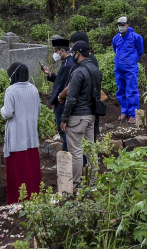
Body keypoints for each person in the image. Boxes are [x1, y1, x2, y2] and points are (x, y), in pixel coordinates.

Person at [60, 41, 102, 188]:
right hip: (91, 116)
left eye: (73, 53)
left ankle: (76, 184)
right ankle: (93, 182)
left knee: (76, 151)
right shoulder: (95, 70)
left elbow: (71, 97)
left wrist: (64, 118)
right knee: (91, 149)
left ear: (78, 53)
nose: (72, 56)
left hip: (77, 116)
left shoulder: (78, 72)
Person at [0, 62, 42, 204]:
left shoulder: (11, 90)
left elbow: (7, 113)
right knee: (31, 167)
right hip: (31, 133)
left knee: (18, 168)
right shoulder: (34, 89)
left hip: (17, 134)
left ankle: (18, 198)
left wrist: (1, 110)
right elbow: (38, 109)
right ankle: (34, 195)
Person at [43, 38, 76, 151]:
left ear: (62, 50)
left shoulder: (68, 64)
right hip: (62, 101)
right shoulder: (67, 62)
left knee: (64, 132)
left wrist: (57, 99)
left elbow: (65, 85)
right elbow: (60, 81)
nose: (55, 54)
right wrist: (50, 75)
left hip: (62, 102)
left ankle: (66, 159)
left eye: (55, 51)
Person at [69, 32, 103, 141]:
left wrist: (61, 97)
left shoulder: (83, 64)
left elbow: (73, 88)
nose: (72, 50)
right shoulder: (92, 61)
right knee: (90, 144)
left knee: (79, 146)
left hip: (82, 110)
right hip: (92, 108)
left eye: (73, 46)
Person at [112, 16, 144, 124]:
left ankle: (133, 114)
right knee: (121, 89)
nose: (121, 27)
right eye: (119, 25)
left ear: (128, 25)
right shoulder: (116, 38)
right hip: (119, 67)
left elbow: (140, 51)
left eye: (123, 24)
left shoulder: (136, 37)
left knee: (132, 90)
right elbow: (115, 49)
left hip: (131, 67)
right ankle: (124, 111)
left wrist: (132, 60)